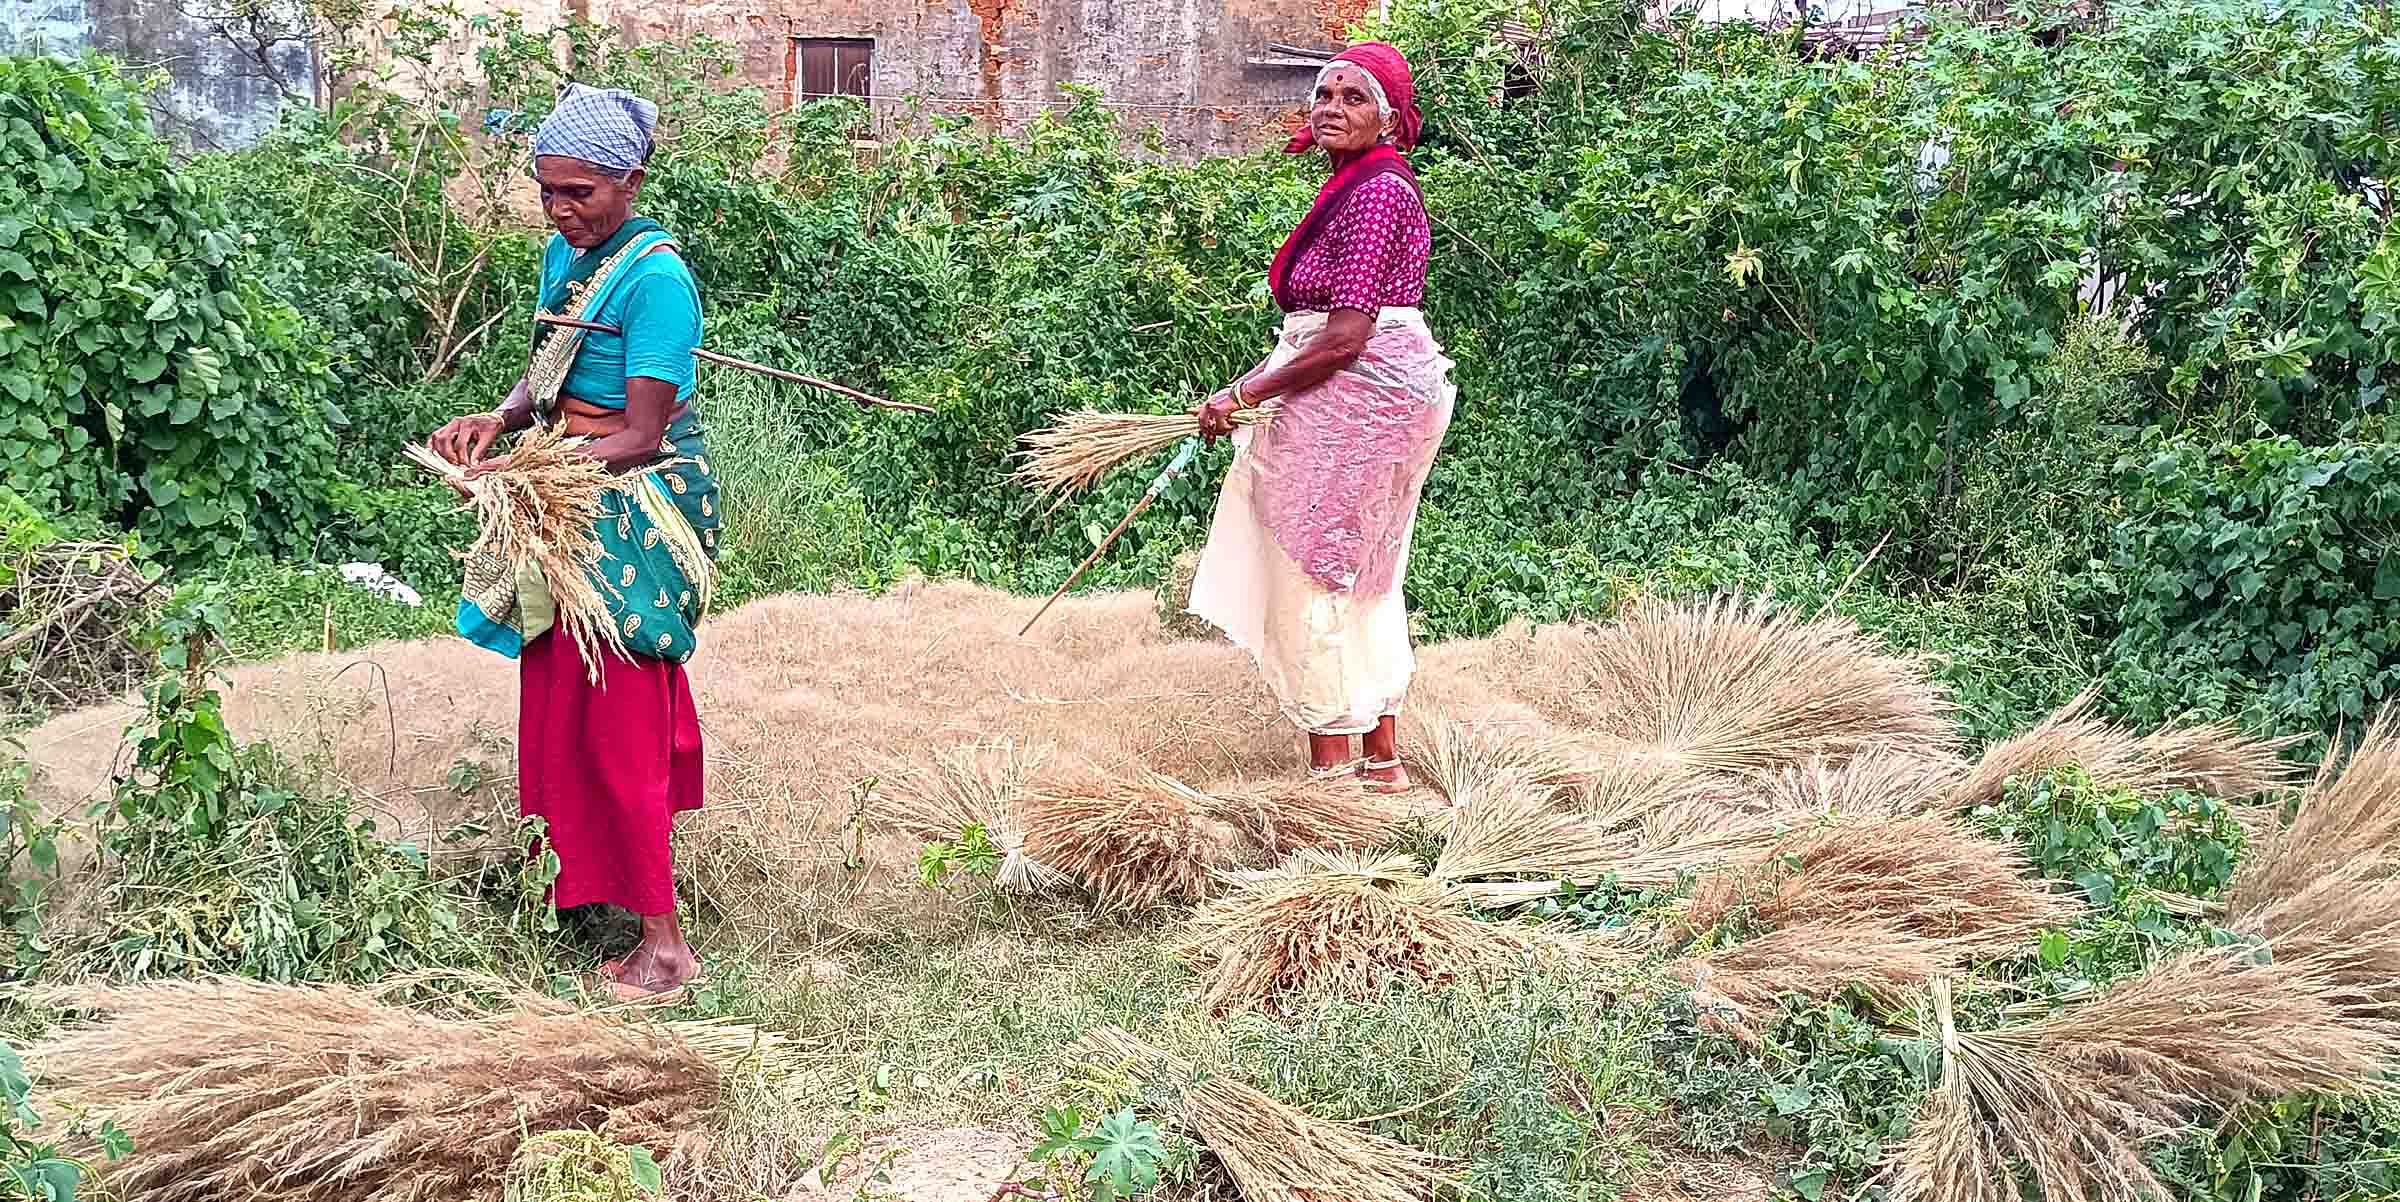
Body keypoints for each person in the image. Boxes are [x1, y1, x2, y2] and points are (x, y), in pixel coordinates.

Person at [428, 84, 718, 1002]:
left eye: (581, 192)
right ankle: (582, 888)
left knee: (621, 716)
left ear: (630, 181)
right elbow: (543, 372)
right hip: (570, 487)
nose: (561, 209)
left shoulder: (659, 281)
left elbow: (638, 434)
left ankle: (664, 949)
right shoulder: (570, 254)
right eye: (548, 190)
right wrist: (502, 418)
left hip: (627, 504)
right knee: (566, 701)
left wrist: (527, 470)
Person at [1188, 43, 1454, 794]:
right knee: (1363, 573)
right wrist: (1255, 386)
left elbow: (1343, 339)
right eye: (1325, 94)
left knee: (1316, 570)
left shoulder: (1376, 195)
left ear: (1391, 120)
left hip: (1360, 401)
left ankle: (1335, 784)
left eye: (1353, 97)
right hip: (1371, 396)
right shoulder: (1360, 184)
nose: (1332, 107)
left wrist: (1243, 396)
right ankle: (1382, 764)